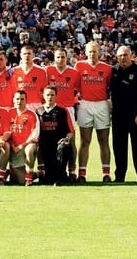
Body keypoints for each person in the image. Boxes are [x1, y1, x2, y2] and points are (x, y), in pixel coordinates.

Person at [74, 41, 113, 183]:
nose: (92, 54)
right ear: (85, 52)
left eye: (94, 51)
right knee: (85, 141)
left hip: (102, 104)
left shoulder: (108, 69)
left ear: (100, 53)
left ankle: (106, 173)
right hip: (85, 104)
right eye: (89, 51)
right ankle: (82, 174)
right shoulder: (79, 66)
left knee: (103, 140)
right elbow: (76, 86)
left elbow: (110, 87)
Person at [110, 45, 137, 183]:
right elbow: (108, 91)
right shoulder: (113, 71)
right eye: (120, 55)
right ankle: (119, 176)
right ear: (117, 57)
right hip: (118, 116)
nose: (123, 58)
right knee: (119, 147)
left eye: (125, 55)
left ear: (131, 55)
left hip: (135, 116)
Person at [46, 48, 81, 181]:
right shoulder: (48, 71)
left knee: (71, 141)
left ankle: (72, 170)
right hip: (51, 108)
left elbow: (78, 90)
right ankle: (44, 170)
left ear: (67, 58)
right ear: (54, 58)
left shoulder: (74, 73)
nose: (60, 60)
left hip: (68, 109)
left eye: (63, 57)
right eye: (58, 57)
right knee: (47, 139)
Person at [36, 86, 75, 185]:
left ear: (56, 96)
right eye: (48, 95)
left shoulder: (62, 111)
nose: (50, 97)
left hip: (59, 144)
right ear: (43, 96)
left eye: (52, 95)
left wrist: (66, 139)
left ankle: (61, 177)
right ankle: (46, 175)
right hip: (45, 145)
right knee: (49, 176)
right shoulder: (38, 111)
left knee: (63, 147)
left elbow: (71, 131)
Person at [6, 90, 40, 186]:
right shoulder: (8, 113)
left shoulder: (32, 115)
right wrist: (13, 145)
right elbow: (6, 133)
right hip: (14, 148)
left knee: (30, 149)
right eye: (17, 99)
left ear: (26, 101)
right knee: (20, 181)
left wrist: (21, 146)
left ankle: (29, 176)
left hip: (26, 146)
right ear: (13, 100)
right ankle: (37, 174)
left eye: (22, 99)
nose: (19, 101)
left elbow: (34, 136)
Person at [10, 45, 47, 111]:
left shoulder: (41, 71)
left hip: (36, 105)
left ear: (33, 55)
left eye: (29, 53)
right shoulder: (14, 71)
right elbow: (12, 91)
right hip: (19, 104)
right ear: (21, 55)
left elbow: (45, 91)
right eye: (24, 54)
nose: (27, 56)